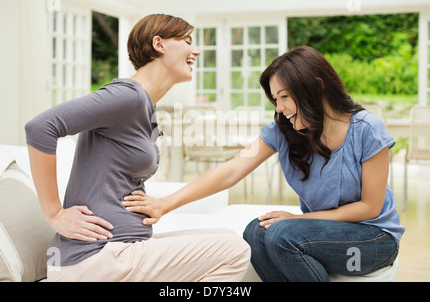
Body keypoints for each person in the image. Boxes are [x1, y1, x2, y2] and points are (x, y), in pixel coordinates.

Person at [124, 45, 405, 282]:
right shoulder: (282, 130)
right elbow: (232, 170)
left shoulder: (367, 129)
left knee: (282, 235)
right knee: (256, 233)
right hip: (323, 232)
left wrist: (298, 219)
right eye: (274, 99)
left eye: (284, 97)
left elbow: (369, 207)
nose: (279, 108)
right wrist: (165, 203)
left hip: (373, 238)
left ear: (316, 87)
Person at [25, 14, 250, 282]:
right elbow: (41, 127)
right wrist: (54, 213)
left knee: (224, 238)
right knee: (233, 249)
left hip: (119, 254)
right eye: (188, 41)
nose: (196, 50)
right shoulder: (126, 95)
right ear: (159, 44)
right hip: (95, 259)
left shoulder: (147, 108)